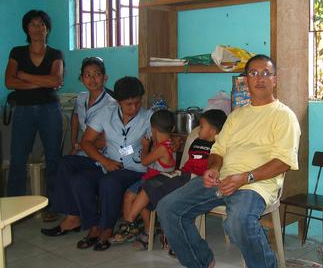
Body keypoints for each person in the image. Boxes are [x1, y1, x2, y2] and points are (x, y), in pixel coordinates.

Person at [158, 54, 301, 268]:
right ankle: (200, 264)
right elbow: (218, 150)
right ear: (246, 80)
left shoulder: (284, 116)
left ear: (275, 79)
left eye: (266, 73)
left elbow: (284, 162)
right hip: (222, 179)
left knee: (238, 221)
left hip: (256, 184)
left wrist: (244, 178)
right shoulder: (237, 116)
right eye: (253, 73)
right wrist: (213, 168)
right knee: (168, 207)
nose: (260, 79)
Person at [111, 109, 227, 250]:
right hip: (182, 174)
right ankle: (142, 228)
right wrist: (178, 143)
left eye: (202, 127)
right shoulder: (196, 141)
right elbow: (185, 152)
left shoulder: (217, 147)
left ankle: (129, 221)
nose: (198, 130)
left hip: (194, 178)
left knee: (149, 187)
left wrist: (147, 147)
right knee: (148, 187)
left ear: (213, 131)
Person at [40, 56, 116, 236]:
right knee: (64, 165)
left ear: (105, 78)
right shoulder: (81, 98)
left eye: (97, 75)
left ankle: (73, 218)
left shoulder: (111, 104)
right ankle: (74, 216)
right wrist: (75, 142)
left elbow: (107, 140)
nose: (92, 79)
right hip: (85, 153)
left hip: (103, 157)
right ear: (81, 78)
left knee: (68, 167)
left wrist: (83, 146)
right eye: (87, 75)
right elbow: (75, 118)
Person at [4, 10, 64, 222]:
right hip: (23, 111)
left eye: (42, 25)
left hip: (50, 110)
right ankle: (14, 210)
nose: (38, 29)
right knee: (18, 158)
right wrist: (42, 80)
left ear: (47, 29)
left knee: (53, 158)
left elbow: (56, 81)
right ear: (26, 29)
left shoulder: (55, 54)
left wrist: (24, 76)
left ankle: (54, 206)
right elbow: (10, 82)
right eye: (33, 24)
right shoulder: (17, 52)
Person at [111, 108, 176, 247]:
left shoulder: (162, 148)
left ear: (153, 129)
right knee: (129, 194)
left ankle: (133, 224)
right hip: (149, 180)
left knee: (143, 200)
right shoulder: (166, 143)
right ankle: (135, 227)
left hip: (159, 184)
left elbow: (144, 161)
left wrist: (145, 147)